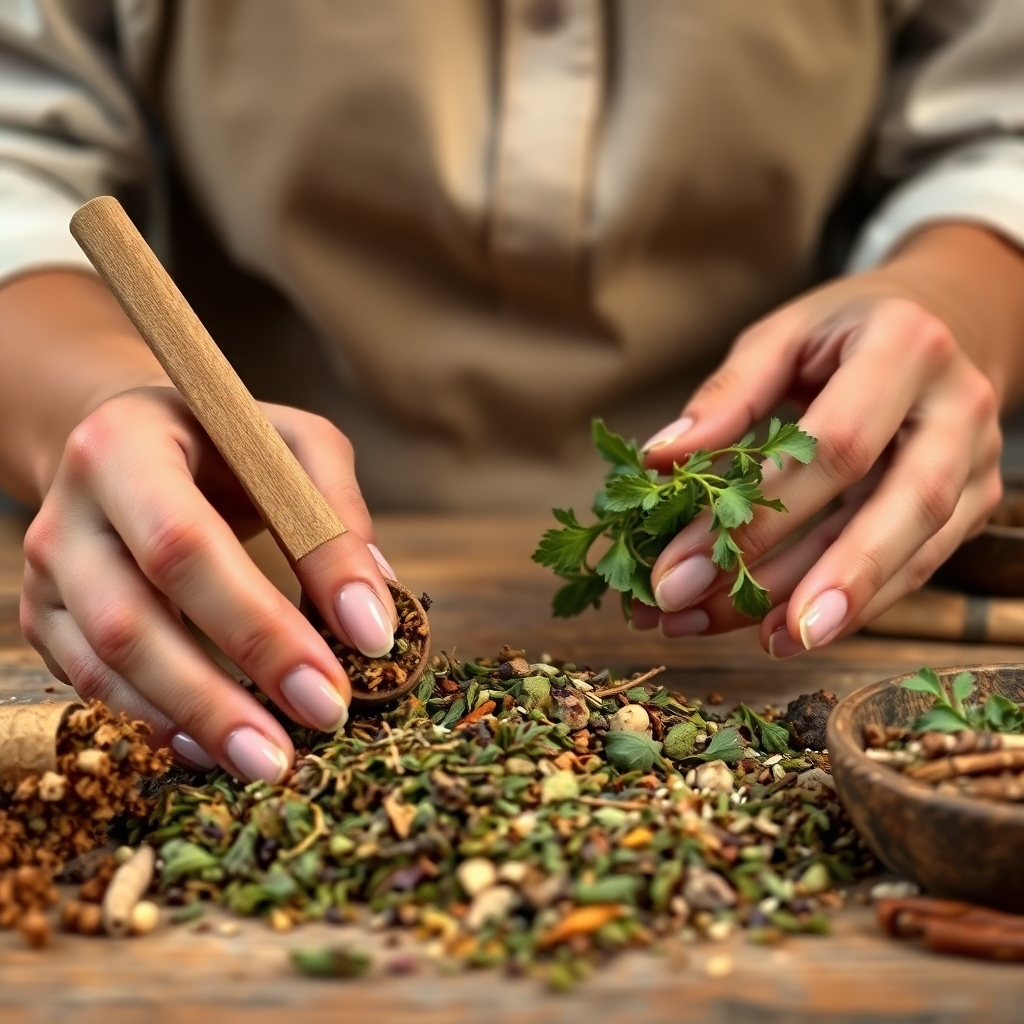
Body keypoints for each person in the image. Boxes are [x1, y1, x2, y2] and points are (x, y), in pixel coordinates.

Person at [1, 1, 1023, 782]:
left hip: (804, 542)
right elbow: (21, 154)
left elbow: (994, 124)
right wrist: (95, 398)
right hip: (234, 538)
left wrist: (950, 303)